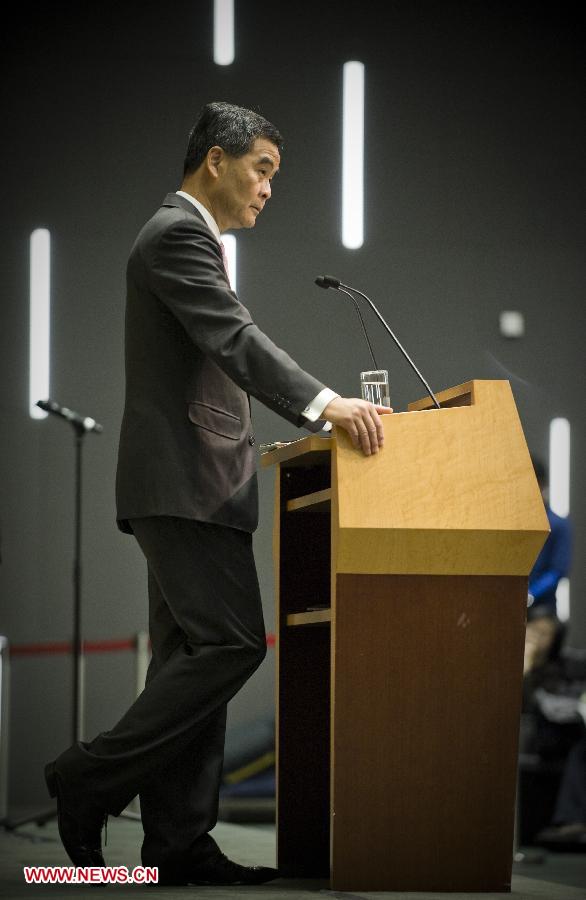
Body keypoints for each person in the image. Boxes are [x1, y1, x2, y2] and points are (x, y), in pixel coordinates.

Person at [44, 101, 391, 886]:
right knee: (232, 645)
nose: (270, 188)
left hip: (193, 482)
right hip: (185, 484)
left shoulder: (186, 238)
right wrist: (326, 404)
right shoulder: (177, 234)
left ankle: (177, 846)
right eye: (262, 169)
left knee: (189, 657)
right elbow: (234, 340)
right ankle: (87, 778)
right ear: (216, 162)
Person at [527, 455, 572, 620]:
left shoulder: (557, 524)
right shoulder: (513, 524)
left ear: (541, 485)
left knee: (531, 644)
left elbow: (557, 570)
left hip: (542, 611)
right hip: (507, 608)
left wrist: (530, 595)